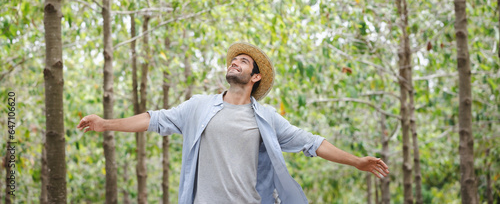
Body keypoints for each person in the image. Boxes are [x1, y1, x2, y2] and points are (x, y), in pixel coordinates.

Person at [77, 42, 389, 204]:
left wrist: (357, 161)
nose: (234, 61)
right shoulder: (198, 107)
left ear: (255, 77)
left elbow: (312, 143)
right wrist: (107, 123)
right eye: (233, 59)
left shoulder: (266, 119)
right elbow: (154, 120)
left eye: (243, 61)